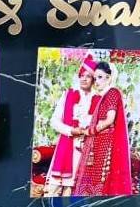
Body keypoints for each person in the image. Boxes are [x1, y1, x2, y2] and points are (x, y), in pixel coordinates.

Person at [73, 61, 132, 196]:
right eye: (95, 78)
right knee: (94, 178)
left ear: (109, 78)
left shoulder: (112, 92)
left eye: (100, 77)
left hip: (105, 143)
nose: (96, 82)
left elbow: (109, 120)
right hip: (98, 141)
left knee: (101, 178)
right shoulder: (103, 96)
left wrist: (91, 130)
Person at [44, 55, 100, 197]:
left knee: (73, 196)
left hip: (84, 151)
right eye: (82, 75)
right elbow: (54, 121)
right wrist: (71, 130)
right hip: (65, 148)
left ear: (94, 79)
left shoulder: (98, 99)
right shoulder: (69, 94)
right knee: (52, 192)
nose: (84, 79)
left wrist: (87, 131)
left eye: (88, 76)